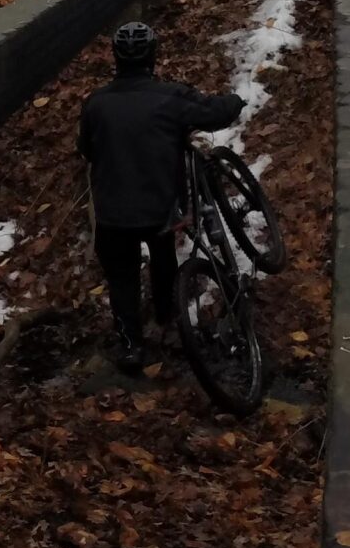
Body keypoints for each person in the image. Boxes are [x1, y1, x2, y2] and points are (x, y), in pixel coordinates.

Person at [76, 21, 244, 373]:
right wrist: (235, 100)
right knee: (162, 254)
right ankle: (165, 312)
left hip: (112, 212)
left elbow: (86, 149)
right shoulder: (169, 96)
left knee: (121, 276)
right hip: (158, 208)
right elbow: (215, 113)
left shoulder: (96, 103)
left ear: (116, 58)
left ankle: (131, 345)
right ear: (153, 56)